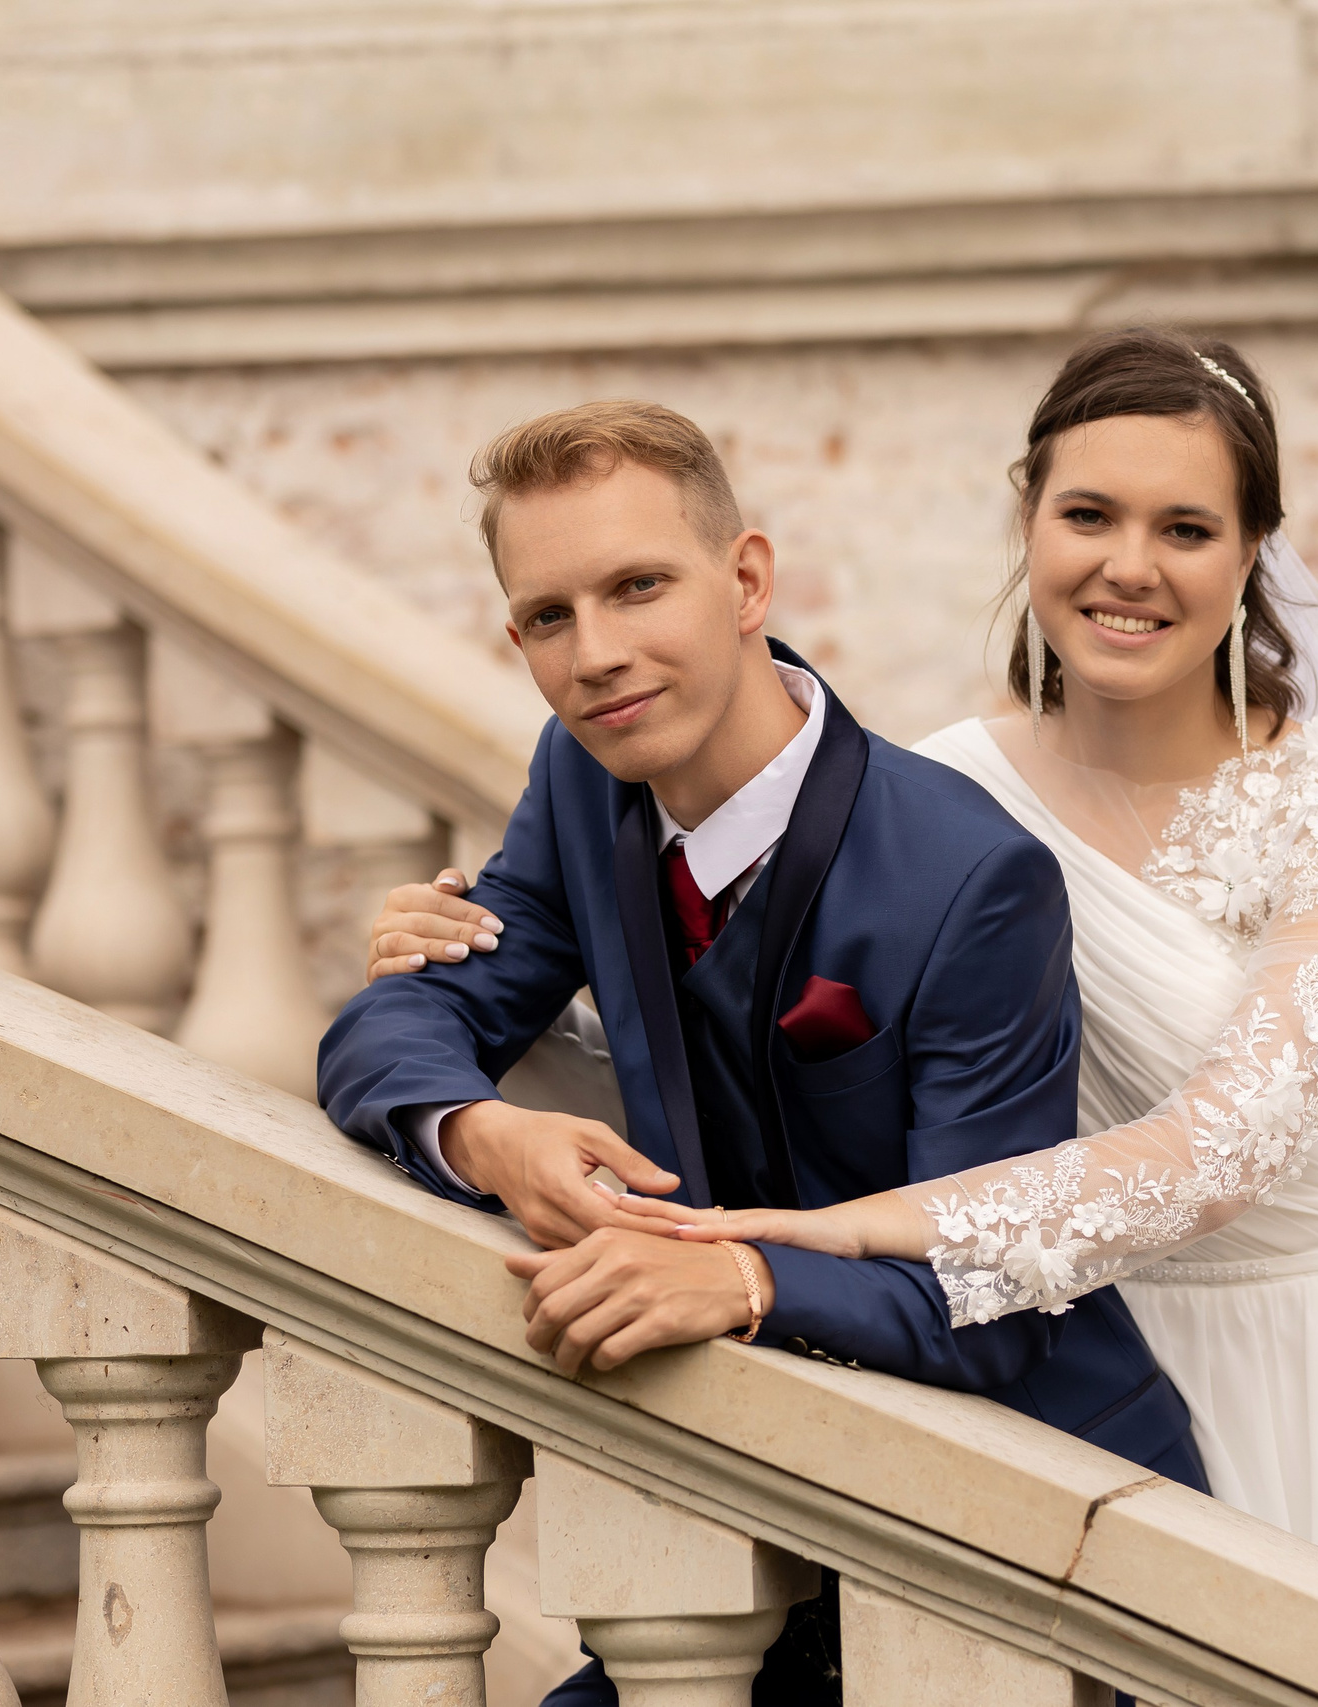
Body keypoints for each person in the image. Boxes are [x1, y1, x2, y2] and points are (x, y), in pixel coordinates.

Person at [363, 333, 1318, 1647]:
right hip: (1044, 1386)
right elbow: (757, 1032)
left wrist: (832, 1238)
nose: (1128, 566)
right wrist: (498, 1021)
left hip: (1313, 1376)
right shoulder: (953, 785)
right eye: (1088, 514)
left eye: (1186, 527)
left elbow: (1221, 1152)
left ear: (1253, 550)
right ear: (1029, 521)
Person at [316, 400, 1206, 1707]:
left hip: (1024, 1546)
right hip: (757, 1518)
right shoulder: (581, 782)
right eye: (550, 618)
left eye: (638, 588)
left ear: (744, 582)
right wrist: (487, 1134)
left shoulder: (970, 879)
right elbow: (393, 1025)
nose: (599, 654)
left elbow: (996, 1289)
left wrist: (743, 1281)